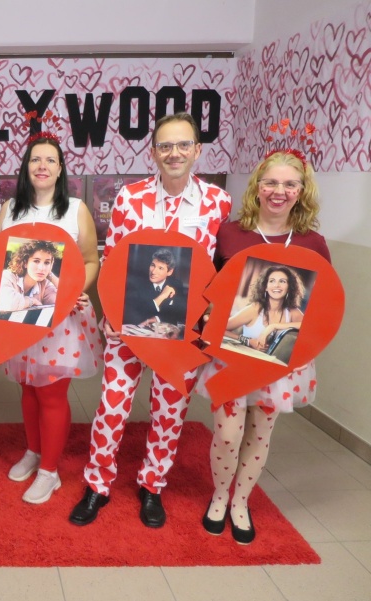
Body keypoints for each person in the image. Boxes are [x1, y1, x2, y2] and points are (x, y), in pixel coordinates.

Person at [70, 112, 232, 528]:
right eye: (165, 145)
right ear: (154, 152)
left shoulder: (218, 202)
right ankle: (98, 483)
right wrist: (110, 312)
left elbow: (220, 269)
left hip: (182, 332)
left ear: (197, 150)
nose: (174, 153)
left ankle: (152, 485)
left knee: (169, 411)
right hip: (129, 322)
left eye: (183, 144)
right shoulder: (130, 198)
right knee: (112, 406)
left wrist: (209, 314)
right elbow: (112, 258)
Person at [195, 149, 330, 544]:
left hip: (280, 361)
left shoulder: (313, 242)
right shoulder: (230, 233)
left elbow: (323, 303)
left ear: (302, 190)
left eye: (289, 184)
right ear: (257, 186)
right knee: (227, 434)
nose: (279, 191)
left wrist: (305, 343)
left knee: (259, 433)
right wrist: (209, 316)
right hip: (230, 356)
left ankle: (241, 501)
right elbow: (210, 289)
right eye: (271, 182)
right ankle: (220, 495)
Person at [0, 133, 101, 504]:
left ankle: (50, 471)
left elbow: (91, 259)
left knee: (51, 392)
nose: (42, 166)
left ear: (60, 168)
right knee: (27, 386)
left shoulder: (75, 209)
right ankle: (34, 450)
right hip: (19, 315)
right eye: (35, 159)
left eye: (50, 160)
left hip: (61, 319)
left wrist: (73, 290)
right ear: (26, 167)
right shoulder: (10, 208)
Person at [222, 264, 304, 353]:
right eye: (272, 281)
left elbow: (309, 328)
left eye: (282, 281)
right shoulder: (255, 309)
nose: (277, 285)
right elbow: (221, 329)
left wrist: (273, 326)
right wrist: (248, 341)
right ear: (265, 287)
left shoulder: (292, 311)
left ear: (289, 287)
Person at [123, 248, 187, 329]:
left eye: (160, 268)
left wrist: (157, 318)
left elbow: (180, 314)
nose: (153, 272)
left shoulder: (176, 284)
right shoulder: (136, 284)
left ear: (170, 272)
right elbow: (135, 315)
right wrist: (162, 296)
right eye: (153, 265)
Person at [0, 239, 59, 312]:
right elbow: (9, 303)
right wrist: (32, 301)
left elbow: (63, 301)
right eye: (36, 261)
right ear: (25, 263)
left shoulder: (45, 284)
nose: (42, 268)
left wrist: (50, 275)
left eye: (47, 263)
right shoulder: (7, 276)